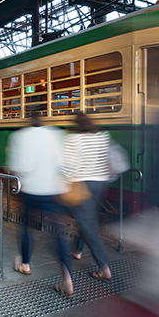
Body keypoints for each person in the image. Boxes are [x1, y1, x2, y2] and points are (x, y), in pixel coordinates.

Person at [7, 113, 74, 298]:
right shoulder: (56, 134)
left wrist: (15, 185)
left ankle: (25, 264)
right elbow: (63, 164)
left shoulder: (19, 136)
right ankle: (67, 280)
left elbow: (15, 168)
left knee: (26, 227)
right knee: (58, 233)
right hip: (52, 191)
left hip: (29, 190)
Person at [62, 111, 113, 283]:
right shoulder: (102, 137)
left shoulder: (73, 139)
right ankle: (77, 250)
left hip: (81, 183)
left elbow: (69, 166)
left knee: (87, 224)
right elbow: (107, 159)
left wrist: (66, 183)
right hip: (99, 184)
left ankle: (104, 267)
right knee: (87, 219)